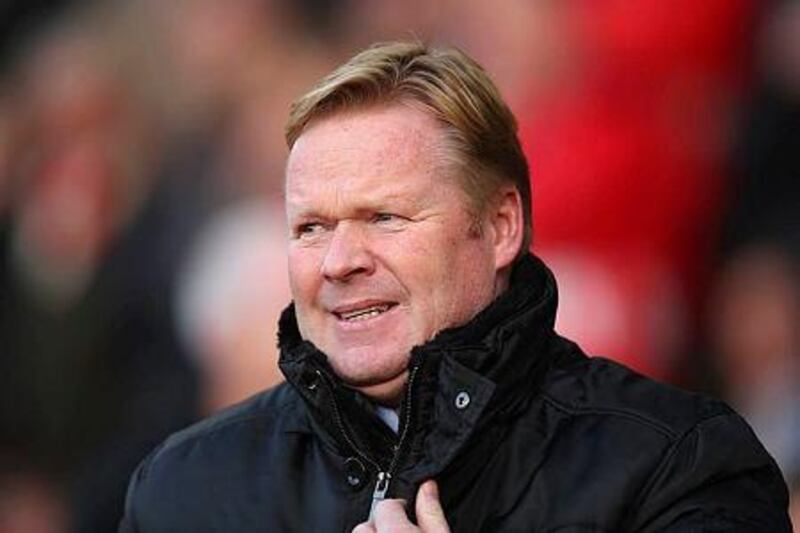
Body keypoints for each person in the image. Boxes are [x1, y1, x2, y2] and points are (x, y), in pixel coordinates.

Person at [119, 41, 791, 532]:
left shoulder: (679, 467)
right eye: (312, 227)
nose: (339, 260)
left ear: (500, 227)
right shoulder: (182, 490)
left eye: (384, 216)